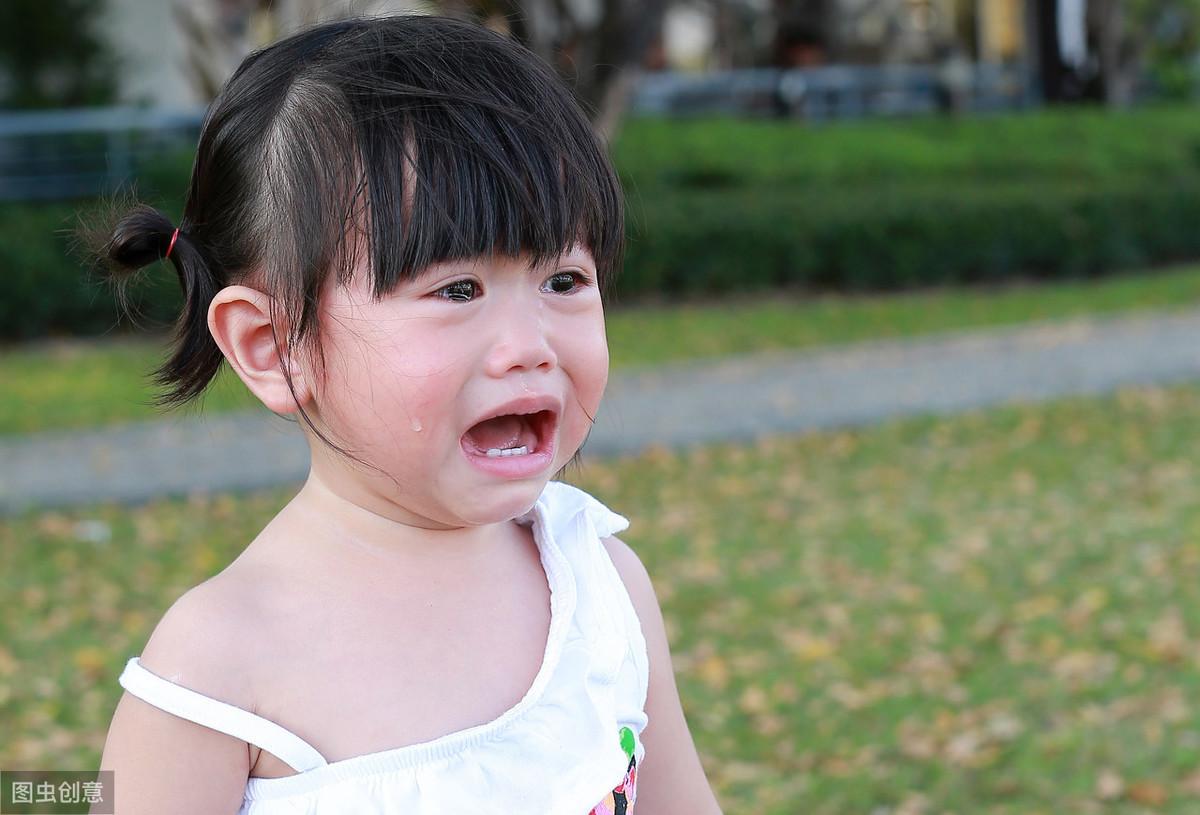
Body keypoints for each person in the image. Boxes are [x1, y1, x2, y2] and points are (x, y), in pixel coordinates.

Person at [85, 14, 722, 815]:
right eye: (457, 290)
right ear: (275, 345)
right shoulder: (218, 667)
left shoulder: (601, 584)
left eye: (564, 280)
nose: (529, 346)